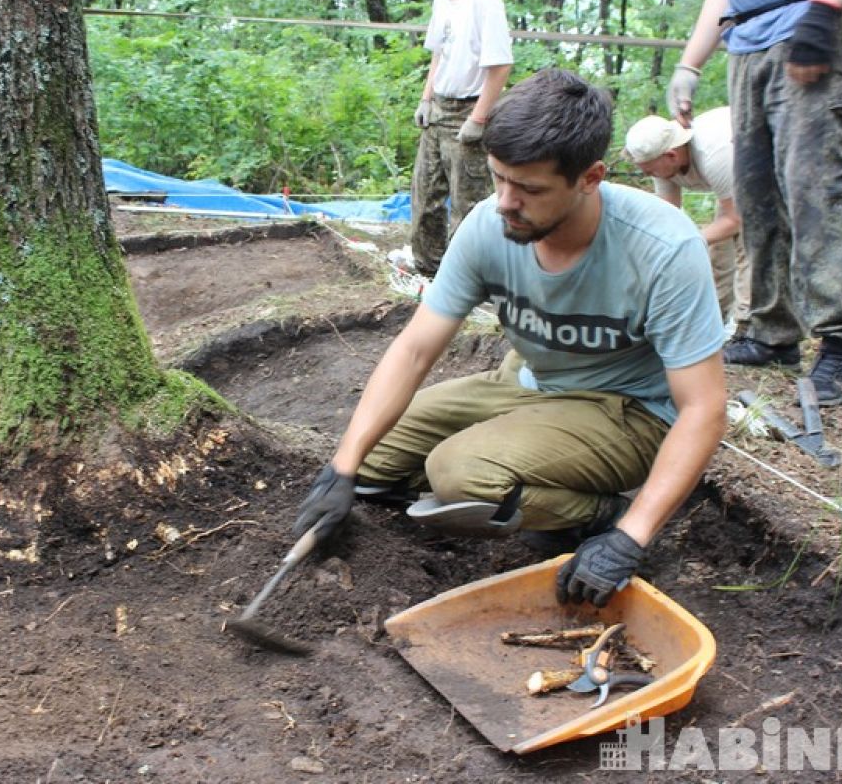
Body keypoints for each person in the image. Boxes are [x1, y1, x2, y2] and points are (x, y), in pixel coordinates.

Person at [292, 70, 727, 608]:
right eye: (499, 179)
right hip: (529, 380)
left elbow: (704, 408)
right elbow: (415, 349)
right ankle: (508, 474)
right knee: (370, 459)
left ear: (590, 178)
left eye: (530, 189)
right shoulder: (486, 226)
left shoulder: (662, 248)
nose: (505, 202)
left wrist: (629, 536)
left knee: (457, 474)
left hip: (629, 411)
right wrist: (343, 467)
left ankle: (599, 512)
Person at [667, 0, 842, 405]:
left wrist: (824, 9)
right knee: (756, 195)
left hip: (809, 22)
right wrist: (690, 65)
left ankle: (839, 346)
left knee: (814, 188)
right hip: (745, 41)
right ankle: (773, 335)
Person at [409, 0, 513, 276]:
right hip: (439, 107)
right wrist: (426, 98)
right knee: (424, 197)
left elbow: (501, 66)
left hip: (470, 108)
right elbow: (438, 54)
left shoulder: (485, 0)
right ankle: (429, 272)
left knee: (467, 207)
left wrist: (478, 119)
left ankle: (468, 279)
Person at [623, 107, 748, 327]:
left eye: (650, 172)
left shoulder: (714, 155)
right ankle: (712, 320)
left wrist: (688, 242)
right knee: (718, 251)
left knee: (749, 245)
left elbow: (736, 219)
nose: (649, 176)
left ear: (671, 155)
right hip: (734, 186)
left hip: (762, 167)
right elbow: (666, 216)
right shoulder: (663, 162)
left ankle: (750, 327)